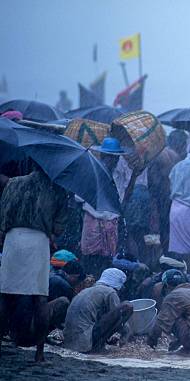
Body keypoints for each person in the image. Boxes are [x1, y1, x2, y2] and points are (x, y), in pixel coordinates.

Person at [0, 164, 69, 362]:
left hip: (13, 240)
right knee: (40, 298)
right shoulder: (57, 189)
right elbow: (59, 226)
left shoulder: (13, 183)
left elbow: (3, 216)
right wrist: (50, 232)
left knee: (5, 295)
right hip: (38, 242)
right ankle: (39, 352)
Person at [81, 138, 126, 278]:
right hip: (93, 219)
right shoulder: (91, 172)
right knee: (90, 257)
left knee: (108, 258)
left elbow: (122, 200)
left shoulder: (118, 175)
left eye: (116, 158)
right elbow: (80, 197)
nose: (114, 161)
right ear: (103, 156)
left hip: (111, 221)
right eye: (111, 157)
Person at [63, 268, 134, 353]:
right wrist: (126, 334)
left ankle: (100, 342)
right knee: (127, 306)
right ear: (117, 283)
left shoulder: (88, 290)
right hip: (84, 342)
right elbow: (117, 317)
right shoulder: (110, 292)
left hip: (70, 340)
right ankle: (98, 346)